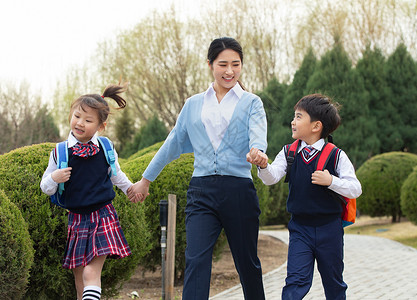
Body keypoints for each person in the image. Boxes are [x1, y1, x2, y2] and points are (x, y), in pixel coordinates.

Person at [130, 37, 267, 299]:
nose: (230, 71)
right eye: (223, 64)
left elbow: (258, 134)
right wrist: (145, 180)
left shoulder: (252, 102)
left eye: (236, 65)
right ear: (210, 65)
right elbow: (173, 143)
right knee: (195, 261)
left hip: (238, 191)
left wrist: (257, 152)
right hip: (201, 192)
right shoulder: (193, 104)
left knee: (247, 263)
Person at [247, 94, 362, 299]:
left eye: (299, 117)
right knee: (295, 282)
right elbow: (271, 178)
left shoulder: (336, 155)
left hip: (330, 229)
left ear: (316, 126)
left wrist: (331, 181)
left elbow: (355, 189)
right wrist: (263, 166)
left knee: (334, 283)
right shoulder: (289, 152)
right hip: (300, 229)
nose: (293, 121)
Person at [40, 84, 143, 300]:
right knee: (80, 281)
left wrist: (130, 189)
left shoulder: (105, 147)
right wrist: (54, 177)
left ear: (100, 126)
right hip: (76, 220)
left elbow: (115, 174)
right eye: (77, 116)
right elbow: (46, 188)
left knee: (90, 272)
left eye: (88, 120)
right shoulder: (60, 152)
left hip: (103, 217)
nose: (80, 123)